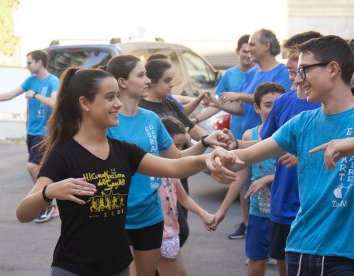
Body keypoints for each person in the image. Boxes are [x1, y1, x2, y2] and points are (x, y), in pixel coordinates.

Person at [209, 35, 354, 275]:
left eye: (304, 69)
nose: (297, 78)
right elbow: (248, 155)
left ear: (333, 69)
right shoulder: (302, 122)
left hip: (348, 256)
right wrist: (223, 156)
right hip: (301, 249)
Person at [15, 67, 236, 276]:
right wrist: (49, 192)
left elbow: (175, 166)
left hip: (118, 267)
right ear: (85, 103)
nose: (118, 104)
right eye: (110, 97)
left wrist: (208, 156)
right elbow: (23, 213)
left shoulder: (123, 150)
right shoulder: (63, 154)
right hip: (74, 268)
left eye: (117, 96)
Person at [104, 55, 231, 276]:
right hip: (118, 217)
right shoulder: (107, 121)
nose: (147, 81)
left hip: (151, 214)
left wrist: (204, 143)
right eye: (141, 75)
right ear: (122, 82)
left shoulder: (151, 119)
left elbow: (176, 159)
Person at [206, 29, 293, 239]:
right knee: (247, 184)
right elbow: (243, 108)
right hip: (246, 138)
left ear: (266, 46)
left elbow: (277, 100)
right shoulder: (252, 73)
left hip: (272, 141)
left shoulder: (282, 72)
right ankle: (248, 225)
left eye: (252, 44)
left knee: (275, 187)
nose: (249, 48)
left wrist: (239, 95)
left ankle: (277, 234)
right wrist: (218, 104)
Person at [259, 31, 322, 276]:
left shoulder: (329, 104)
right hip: (283, 205)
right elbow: (265, 145)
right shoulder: (283, 102)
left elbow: (350, 156)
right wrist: (230, 146)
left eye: (295, 58)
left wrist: (303, 157)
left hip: (316, 208)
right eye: (289, 58)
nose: (288, 65)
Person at [214, 82, 285, 276]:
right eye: (268, 105)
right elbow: (240, 174)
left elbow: (299, 171)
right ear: (256, 107)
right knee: (255, 266)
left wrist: (269, 178)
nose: (273, 110)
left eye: (278, 105)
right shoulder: (250, 134)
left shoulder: (292, 134)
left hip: (286, 214)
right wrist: (222, 210)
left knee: (286, 267)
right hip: (259, 213)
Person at [193, 34, 255, 239]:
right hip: (236, 136)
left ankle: (263, 227)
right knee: (241, 180)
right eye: (244, 50)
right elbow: (218, 104)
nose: (248, 54)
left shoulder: (257, 74)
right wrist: (195, 119)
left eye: (250, 50)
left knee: (262, 182)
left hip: (259, 137)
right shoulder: (230, 75)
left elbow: (239, 102)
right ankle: (247, 224)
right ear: (237, 52)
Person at [0, 49, 59, 223]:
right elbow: (10, 95)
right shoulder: (30, 80)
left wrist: (37, 95)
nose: (27, 65)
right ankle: (47, 201)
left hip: (45, 133)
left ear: (39, 63)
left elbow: (55, 103)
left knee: (32, 166)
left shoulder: (52, 81)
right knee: (39, 169)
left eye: (29, 62)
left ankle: (47, 204)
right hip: (31, 132)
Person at [157, 116, 215, 276]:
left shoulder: (170, 171)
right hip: (156, 236)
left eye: (184, 145)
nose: (180, 151)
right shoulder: (149, 171)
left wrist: (204, 214)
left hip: (171, 234)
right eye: (176, 145)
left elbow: (184, 198)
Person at [139, 58, 208, 141]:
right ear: (152, 81)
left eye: (172, 79)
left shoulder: (170, 103)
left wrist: (213, 140)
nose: (171, 84)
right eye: (167, 81)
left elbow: (192, 128)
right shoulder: (141, 108)